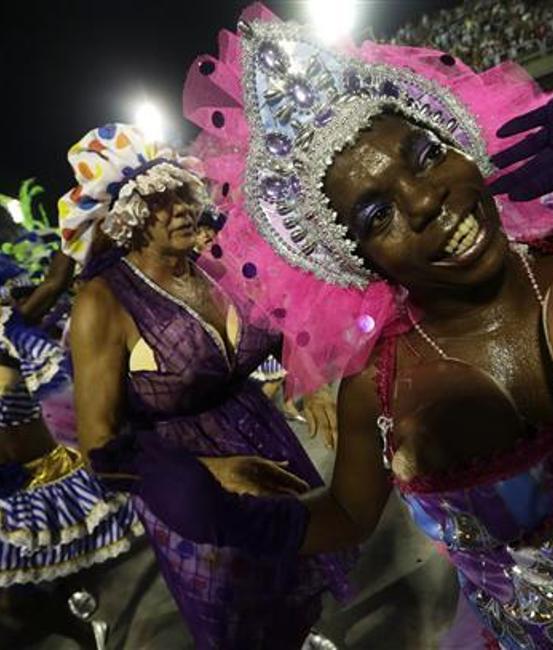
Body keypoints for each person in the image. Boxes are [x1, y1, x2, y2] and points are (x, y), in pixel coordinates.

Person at [99, 7, 553, 648]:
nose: (424, 201)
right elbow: (348, 514)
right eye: (376, 213)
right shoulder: (379, 386)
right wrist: (235, 521)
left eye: (424, 155)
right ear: (352, 258)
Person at [63, 123, 351, 649]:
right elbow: (99, 447)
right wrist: (210, 474)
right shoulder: (103, 302)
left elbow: (275, 329)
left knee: (294, 587)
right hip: (190, 486)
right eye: (156, 200)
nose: (177, 207)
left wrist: (309, 383)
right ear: (126, 216)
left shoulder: (212, 266)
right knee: (240, 620)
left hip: (269, 445)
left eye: (179, 191)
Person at [0, 231, 144, 648]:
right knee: (16, 598)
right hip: (9, 490)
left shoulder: (12, 329)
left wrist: (82, 215)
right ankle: (78, 625)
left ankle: (82, 626)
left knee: (55, 575)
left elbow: (54, 282)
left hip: (45, 477)